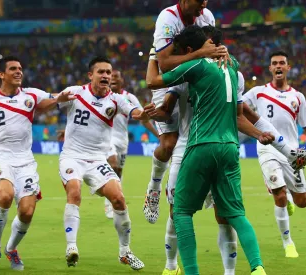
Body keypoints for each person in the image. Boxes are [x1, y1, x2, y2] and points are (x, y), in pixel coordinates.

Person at [145, 25, 268, 275]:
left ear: (190, 50)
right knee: (235, 214)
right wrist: (259, 134)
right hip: (230, 147)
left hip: (201, 144)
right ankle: (257, 267)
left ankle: (189, 271)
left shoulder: (195, 65)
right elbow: (238, 114)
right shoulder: (232, 65)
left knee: (180, 211)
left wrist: (153, 55)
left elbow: (152, 81)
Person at [0, 56, 74, 271]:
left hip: (25, 161)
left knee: (27, 211)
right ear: (1, 74)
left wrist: (63, 96)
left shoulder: (31, 94)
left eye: (20, 68)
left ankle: (11, 249)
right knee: (5, 195)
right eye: (13, 69)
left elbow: (52, 100)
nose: (18, 71)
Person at [242, 51, 306, 258]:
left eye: (282, 63)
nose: (278, 66)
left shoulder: (298, 97)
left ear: (287, 67)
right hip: (267, 148)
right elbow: (236, 105)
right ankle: (288, 242)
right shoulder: (257, 92)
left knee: (302, 202)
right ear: (270, 68)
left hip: (292, 154)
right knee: (280, 195)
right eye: (274, 63)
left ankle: (285, 194)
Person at [58, 56, 149, 270]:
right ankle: (71, 247)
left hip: (97, 159)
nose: (106, 76)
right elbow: (56, 102)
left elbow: (135, 113)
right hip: (72, 156)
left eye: (109, 72)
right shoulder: (76, 92)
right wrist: (59, 99)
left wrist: (146, 112)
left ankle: (125, 252)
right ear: (91, 75)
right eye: (101, 72)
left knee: (118, 199)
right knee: (74, 191)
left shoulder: (117, 100)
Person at [144, 0, 226, 224]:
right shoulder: (168, 18)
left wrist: (221, 51)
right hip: (168, 79)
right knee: (170, 143)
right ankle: (154, 185)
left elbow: (213, 46)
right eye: (199, 2)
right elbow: (166, 63)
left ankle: (205, 182)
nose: (203, 6)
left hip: (196, 75)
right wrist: (200, 53)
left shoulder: (206, 15)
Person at [103, 69, 159, 219]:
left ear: (122, 80)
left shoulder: (129, 98)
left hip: (122, 140)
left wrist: (158, 135)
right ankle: (108, 203)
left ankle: (114, 198)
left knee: (118, 172)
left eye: (116, 76)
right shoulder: (102, 96)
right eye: (111, 77)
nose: (113, 78)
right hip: (108, 138)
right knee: (113, 164)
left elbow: (143, 118)